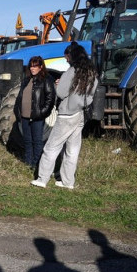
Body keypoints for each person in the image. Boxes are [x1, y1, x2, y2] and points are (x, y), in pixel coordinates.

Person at [31, 42, 98, 190]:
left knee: (51, 147)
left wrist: (57, 84)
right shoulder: (92, 72)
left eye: (67, 56)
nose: (66, 59)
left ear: (72, 56)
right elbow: (92, 94)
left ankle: (42, 179)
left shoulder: (71, 71)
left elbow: (61, 93)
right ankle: (68, 182)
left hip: (67, 114)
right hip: (80, 114)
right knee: (72, 150)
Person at [13, 56, 56, 170]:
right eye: (31, 66)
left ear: (41, 67)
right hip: (25, 116)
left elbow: (50, 99)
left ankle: (37, 164)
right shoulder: (26, 80)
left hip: (37, 117)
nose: (32, 69)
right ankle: (28, 163)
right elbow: (20, 97)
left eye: (35, 66)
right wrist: (18, 112)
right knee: (27, 141)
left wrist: (42, 113)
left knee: (37, 141)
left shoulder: (46, 80)